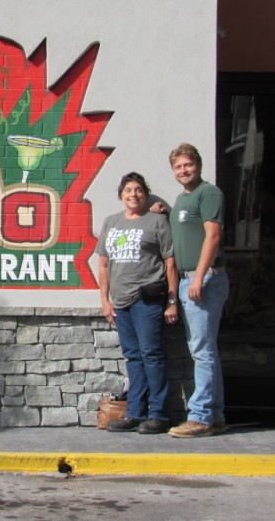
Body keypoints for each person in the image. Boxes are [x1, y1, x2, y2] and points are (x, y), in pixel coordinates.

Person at [96, 172, 179, 434]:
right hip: (120, 303)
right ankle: (135, 413)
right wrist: (105, 301)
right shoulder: (112, 222)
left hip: (148, 301)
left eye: (139, 190)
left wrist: (172, 300)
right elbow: (103, 264)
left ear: (146, 193)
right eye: (128, 190)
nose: (134, 194)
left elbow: (170, 262)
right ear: (121, 195)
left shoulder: (157, 221)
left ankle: (159, 414)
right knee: (132, 357)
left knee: (152, 356)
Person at [166, 143, 230, 438]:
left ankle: (201, 417)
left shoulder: (209, 193)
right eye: (178, 167)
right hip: (188, 280)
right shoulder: (183, 199)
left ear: (198, 165)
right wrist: (165, 210)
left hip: (202, 280)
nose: (183, 171)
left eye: (187, 165)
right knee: (206, 350)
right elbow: (186, 226)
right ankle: (214, 416)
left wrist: (197, 278)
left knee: (202, 351)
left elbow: (212, 237)